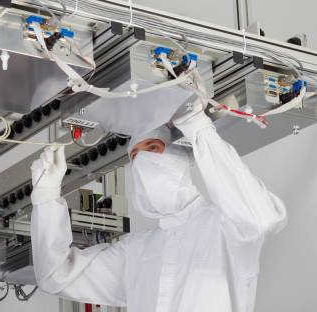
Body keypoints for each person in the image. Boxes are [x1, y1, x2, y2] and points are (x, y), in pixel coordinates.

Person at [30, 100, 287, 311]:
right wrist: (46, 196)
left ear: (179, 155)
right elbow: (56, 276)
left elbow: (262, 217)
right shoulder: (135, 252)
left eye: (153, 147)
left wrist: (200, 130)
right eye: (135, 156)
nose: (143, 162)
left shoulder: (225, 225)